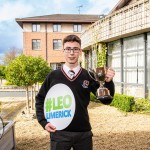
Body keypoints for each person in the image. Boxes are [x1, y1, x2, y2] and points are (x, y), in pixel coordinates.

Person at [35, 34, 115, 150]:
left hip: (83, 133)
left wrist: (108, 82)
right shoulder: (53, 76)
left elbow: (107, 100)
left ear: (80, 51)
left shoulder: (89, 75)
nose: (71, 53)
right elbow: (40, 99)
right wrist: (43, 122)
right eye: (68, 49)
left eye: (75, 49)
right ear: (63, 51)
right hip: (59, 132)